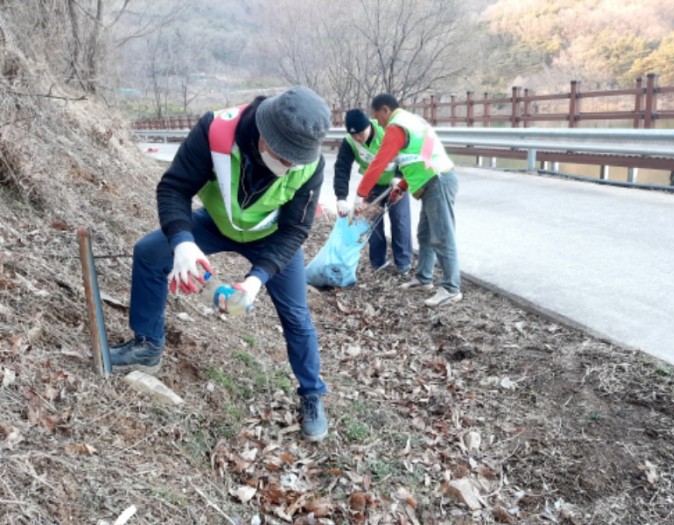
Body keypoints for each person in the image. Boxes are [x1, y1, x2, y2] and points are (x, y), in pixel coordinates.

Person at [109, 86, 331, 441]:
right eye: (284, 156)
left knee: (297, 316)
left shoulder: (310, 165)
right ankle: (147, 346)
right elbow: (174, 188)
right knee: (150, 252)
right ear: (264, 132)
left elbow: (295, 230)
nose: (289, 165)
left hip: (270, 236)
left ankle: (312, 393)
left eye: (296, 159)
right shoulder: (216, 130)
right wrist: (182, 243)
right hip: (217, 222)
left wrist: (258, 279)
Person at [353, 93, 462, 307]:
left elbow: (379, 162)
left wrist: (360, 194)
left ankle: (451, 288)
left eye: (378, 117)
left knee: (442, 235)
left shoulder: (396, 126)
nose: (379, 123)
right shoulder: (411, 121)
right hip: (431, 181)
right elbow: (416, 158)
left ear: (385, 110)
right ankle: (424, 278)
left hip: (438, 182)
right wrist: (402, 186)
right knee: (425, 234)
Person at [333, 109, 412, 274]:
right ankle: (378, 262)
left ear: (369, 125)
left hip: (396, 184)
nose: (358, 138)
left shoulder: (387, 132)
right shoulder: (350, 142)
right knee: (371, 224)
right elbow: (342, 169)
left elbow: (407, 154)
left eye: (360, 133)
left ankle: (403, 264)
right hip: (371, 186)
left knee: (400, 221)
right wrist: (341, 197)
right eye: (354, 135)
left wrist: (399, 176)